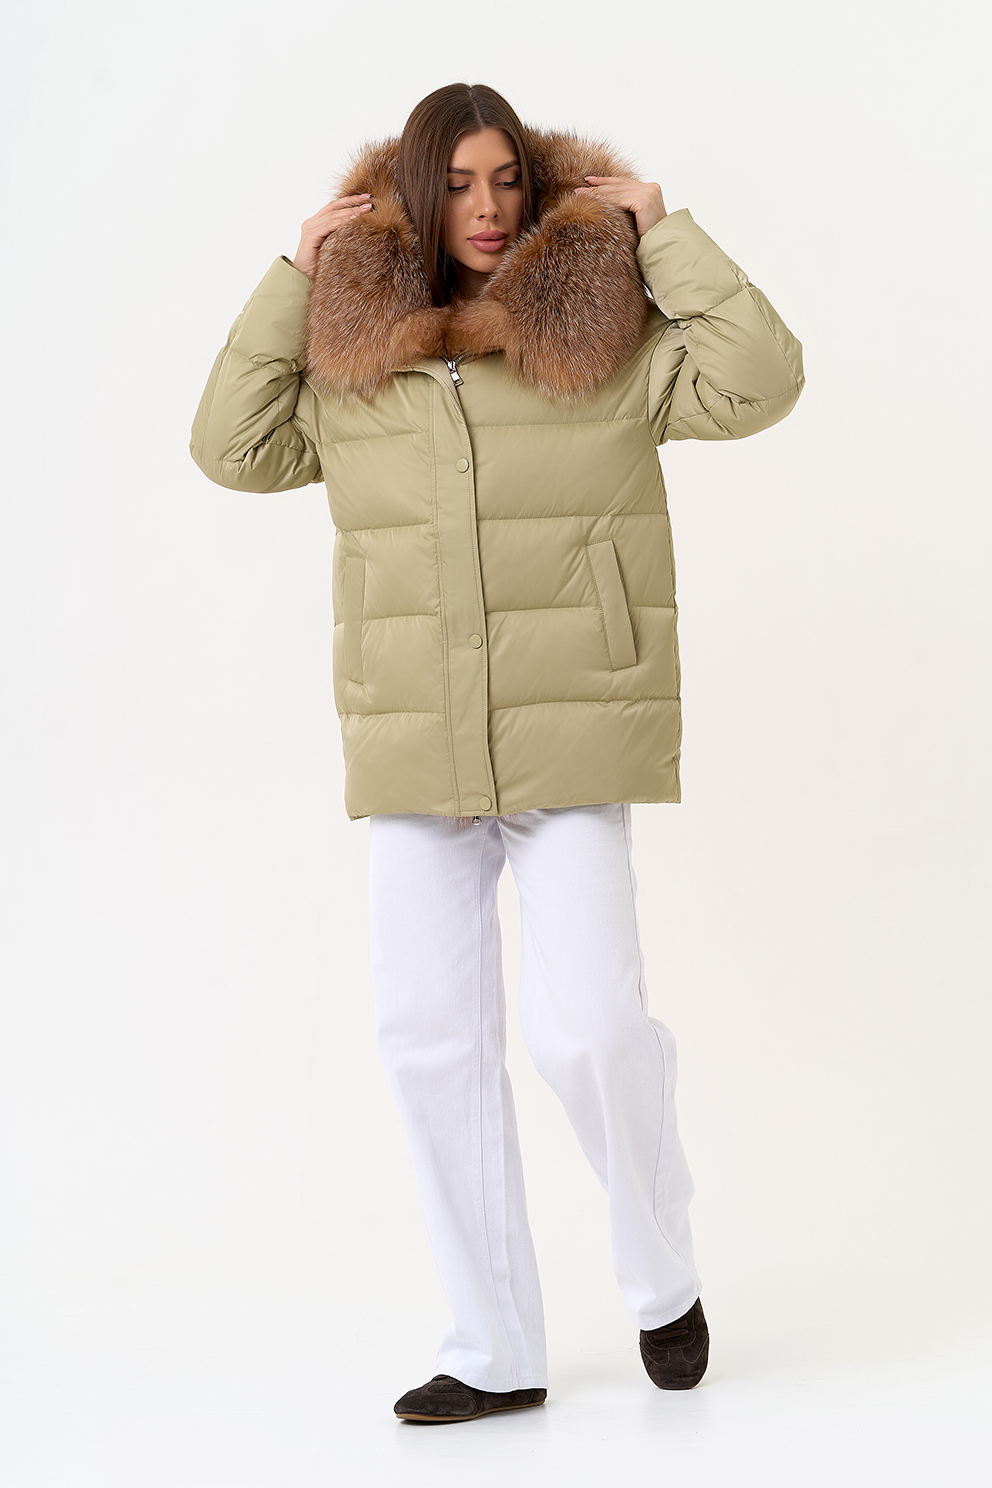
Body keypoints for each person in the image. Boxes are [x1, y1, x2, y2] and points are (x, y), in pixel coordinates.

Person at [190, 81, 804, 1425]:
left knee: (593, 1032)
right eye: (458, 183)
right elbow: (228, 447)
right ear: (412, 196)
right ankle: (493, 1348)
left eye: (508, 180)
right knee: (429, 1044)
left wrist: (664, 231)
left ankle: (662, 1276)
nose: (485, 208)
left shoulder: (607, 340)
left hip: (569, 727)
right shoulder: (355, 365)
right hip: (417, 740)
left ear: (537, 186)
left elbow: (764, 377)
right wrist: (296, 273)